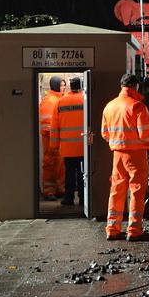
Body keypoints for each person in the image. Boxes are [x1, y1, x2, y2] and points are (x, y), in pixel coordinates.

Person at [101, 74, 149, 241]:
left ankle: (112, 228)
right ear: (135, 86)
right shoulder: (137, 106)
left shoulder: (109, 106)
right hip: (136, 155)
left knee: (116, 190)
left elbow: (105, 134)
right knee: (137, 191)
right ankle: (134, 230)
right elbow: (146, 136)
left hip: (117, 155)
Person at [53, 77, 85, 206]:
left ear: (70, 87)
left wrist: (54, 144)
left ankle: (69, 198)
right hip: (83, 146)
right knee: (83, 174)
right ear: (81, 86)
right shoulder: (85, 100)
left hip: (68, 146)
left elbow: (55, 125)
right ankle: (83, 199)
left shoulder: (61, 102)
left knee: (69, 174)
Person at [39, 76, 66, 200]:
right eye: (61, 85)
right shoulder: (50, 101)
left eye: (64, 85)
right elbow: (48, 123)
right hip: (51, 138)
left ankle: (59, 189)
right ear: (55, 86)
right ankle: (49, 191)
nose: (64, 87)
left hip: (56, 138)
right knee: (50, 163)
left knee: (60, 164)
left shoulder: (57, 99)